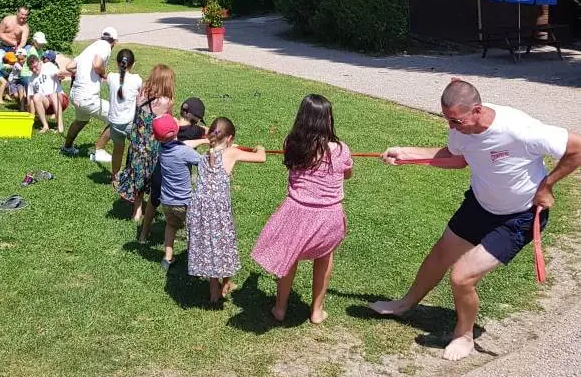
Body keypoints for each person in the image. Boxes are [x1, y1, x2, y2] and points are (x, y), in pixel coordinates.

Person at [370, 79, 581, 361]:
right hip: (481, 205)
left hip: (519, 215)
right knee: (440, 254)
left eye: (456, 121)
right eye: (448, 120)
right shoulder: (461, 130)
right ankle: (403, 304)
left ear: (478, 110)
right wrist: (408, 154)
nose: (452, 128)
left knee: (461, 277)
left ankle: (464, 336)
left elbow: (577, 148)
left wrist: (547, 185)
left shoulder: (519, 129)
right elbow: (457, 158)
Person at [251, 94, 353, 324]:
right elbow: (347, 174)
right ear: (327, 120)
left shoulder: (291, 144)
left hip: (296, 214)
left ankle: (280, 308)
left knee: (290, 257)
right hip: (329, 218)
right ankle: (317, 311)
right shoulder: (341, 150)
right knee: (325, 256)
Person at [187, 117, 266, 306]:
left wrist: (228, 146)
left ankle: (215, 287)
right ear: (230, 138)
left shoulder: (207, 154)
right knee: (223, 241)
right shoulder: (232, 153)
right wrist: (259, 147)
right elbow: (261, 158)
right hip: (217, 209)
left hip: (200, 207)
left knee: (210, 242)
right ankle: (225, 284)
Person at [139, 113, 203, 270]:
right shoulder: (184, 152)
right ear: (176, 130)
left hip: (167, 201)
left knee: (171, 226)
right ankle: (195, 260)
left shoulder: (161, 149)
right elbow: (202, 162)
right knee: (194, 229)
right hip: (184, 202)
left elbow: (181, 144)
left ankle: (167, 258)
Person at [115, 64, 175, 221]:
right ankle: (146, 211)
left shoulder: (142, 92)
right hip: (153, 145)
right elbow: (168, 123)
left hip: (136, 142)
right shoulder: (167, 102)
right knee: (150, 176)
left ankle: (137, 209)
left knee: (137, 173)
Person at [61, 27, 118, 155]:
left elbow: (69, 66)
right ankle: (99, 151)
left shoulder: (91, 47)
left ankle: (67, 148)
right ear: (115, 41)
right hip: (87, 97)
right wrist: (103, 74)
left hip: (75, 94)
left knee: (81, 120)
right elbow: (97, 64)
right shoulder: (106, 47)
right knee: (115, 117)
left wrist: (84, 73)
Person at [92, 49, 142, 180]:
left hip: (115, 124)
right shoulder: (137, 79)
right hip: (130, 123)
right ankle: (133, 175)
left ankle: (115, 177)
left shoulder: (111, 78)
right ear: (134, 64)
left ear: (117, 63)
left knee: (118, 150)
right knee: (136, 149)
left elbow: (103, 73)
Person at [27, 53, 64, 133]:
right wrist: (31, 119)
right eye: (31, 68)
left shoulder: (48, 66)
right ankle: (45, 126)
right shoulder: (31, 79)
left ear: (40, 62)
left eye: (35, 66)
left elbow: (58, 73)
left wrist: (59, 75)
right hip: (47, 104)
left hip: (60, 99)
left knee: (53, 94)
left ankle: (60, 126)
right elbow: (30, 99)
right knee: (36, 97)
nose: (34, 70)